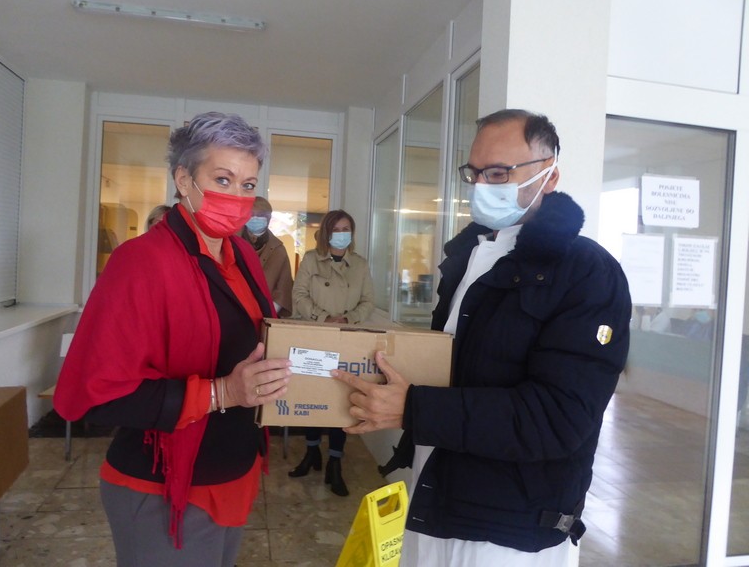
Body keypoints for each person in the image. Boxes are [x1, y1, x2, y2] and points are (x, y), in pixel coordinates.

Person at [332, 109, 632, 565]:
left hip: (508, 531)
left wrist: (413, 408)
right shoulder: (470, 257)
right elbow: (459, 373)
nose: (481, 186)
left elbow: (558, 418)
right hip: (436, 499)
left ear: (550, 176)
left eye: (498, 173)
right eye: (474, 173)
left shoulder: (588, 272)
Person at [54, 112, 292, 567]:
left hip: (232, 473)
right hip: (163, 490)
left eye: (247, 185)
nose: (237, 197)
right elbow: (98, 395)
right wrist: (223, 392)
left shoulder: (244, 256)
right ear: (184, 180)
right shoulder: (140, 262)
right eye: (222, 179)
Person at [289, 209, 374, 496]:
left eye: (346, 228)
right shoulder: (311, 260)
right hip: (316, 337)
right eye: (336, 229)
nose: (341, 234)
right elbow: (299, 295)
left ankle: (334, 462)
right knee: (313, 397)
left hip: (345, 340)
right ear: (326, 232)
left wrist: (348, 319)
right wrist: (323, 317)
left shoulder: (360, 265)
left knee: (341, 401)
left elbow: (368, 301)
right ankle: (311, 452)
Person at [240, 196, 294, 317]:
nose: (255, 218)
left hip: (266, 314)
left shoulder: (278, 250)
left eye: (260, 215)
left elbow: (283, 288)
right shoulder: (232, 243)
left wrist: (267, 312)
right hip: (234, 310)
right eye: (251, 214)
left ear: (268, 218)